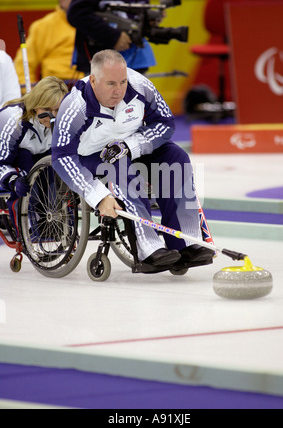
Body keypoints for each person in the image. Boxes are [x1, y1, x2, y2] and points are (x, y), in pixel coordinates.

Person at [52, 50, 214, 271]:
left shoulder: (140, 86)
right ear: (93, 80)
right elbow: (61, 157)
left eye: (122, 82)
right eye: (110, 84)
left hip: (130, 145)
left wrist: (130, 145)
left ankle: (186, 242)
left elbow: (165, 124)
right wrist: (98, 197)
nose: (118, 90)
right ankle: (148, 248)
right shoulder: (75, 106)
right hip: (90, 156)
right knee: (118, 167)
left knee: (176, 158)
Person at [0, 76, 68, 235]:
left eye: (57, 110)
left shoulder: (64, 119)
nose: (52, 116)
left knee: (53, 170)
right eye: (46, 110)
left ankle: (56, 225)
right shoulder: (12, 118)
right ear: (36, 104)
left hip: (43, 158)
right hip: (13, 162)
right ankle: (25, 226)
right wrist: (12, 180)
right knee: (26, 164)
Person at [67, 0, 156, 75]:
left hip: (136, 64)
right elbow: (76, 13)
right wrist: (113, 37)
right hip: (100, 66)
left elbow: (140, 15)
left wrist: (149, 21)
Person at [14, 0, 85, 90]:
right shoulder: (43, 26)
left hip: (88, 85)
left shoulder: (95, 24)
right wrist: (30, 95)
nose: (82, 2)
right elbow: (24, 64)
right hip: (55, 89)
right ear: (62, 0)